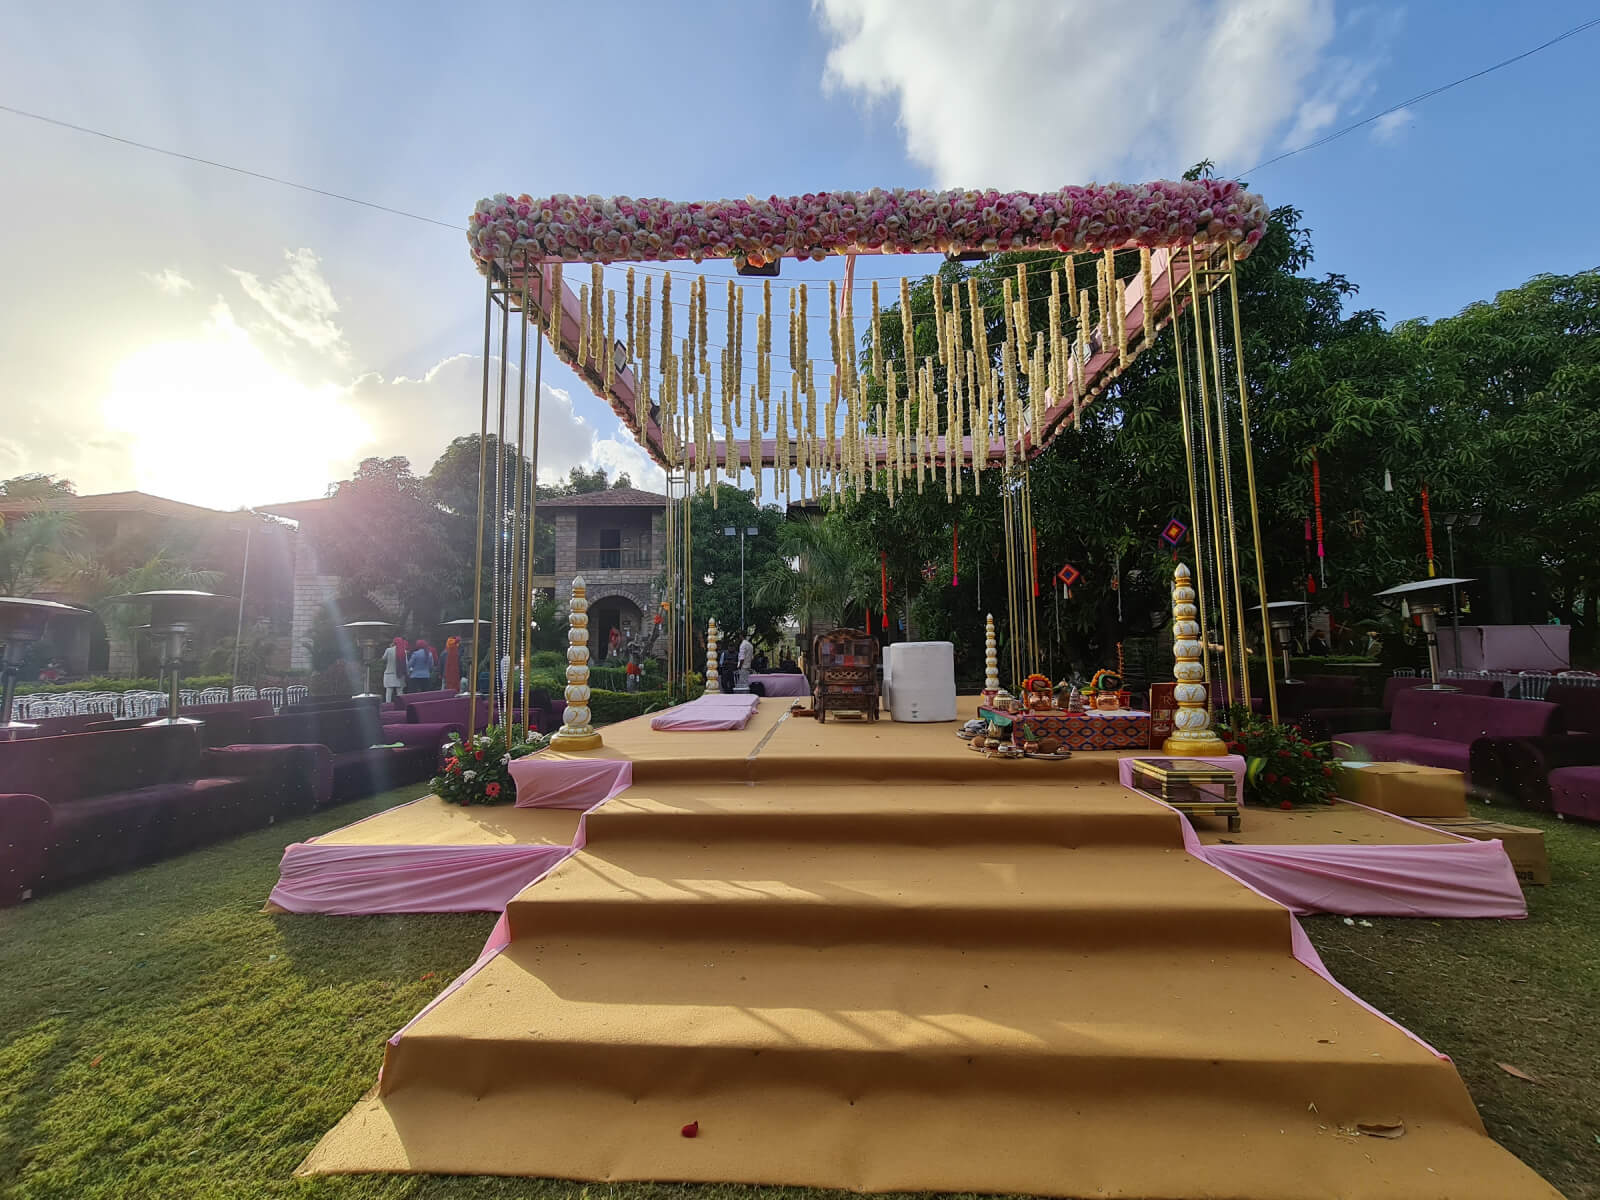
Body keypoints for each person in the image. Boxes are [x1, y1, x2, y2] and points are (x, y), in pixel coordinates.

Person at [382, 637, 406, 702]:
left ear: (393, 643)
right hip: (400, 674)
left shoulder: (388, 650)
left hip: (389, 674)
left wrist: (390, 647)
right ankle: (400, 706)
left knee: (389, 691)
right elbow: (406, 663)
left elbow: (383, 658)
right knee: (400, 692)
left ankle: (388, 706)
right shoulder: (403, 651)